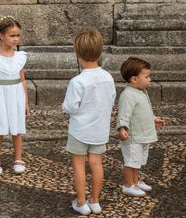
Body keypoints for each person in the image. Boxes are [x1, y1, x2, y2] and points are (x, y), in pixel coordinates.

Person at [62, 28, 115, 216]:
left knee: (78, 164)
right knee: (97, 164)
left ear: (77, 53)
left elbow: (70, 107)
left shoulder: (77, 81)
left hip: (80, 131)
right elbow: (111, 98)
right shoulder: (108, 77)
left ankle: (81, 202)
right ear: (100, 52)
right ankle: (95, 201)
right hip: (100, 130)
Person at [0, 16, 29, 176]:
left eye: (18, 36)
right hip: (0, 97)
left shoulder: (20, 57)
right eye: (12, 35)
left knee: (17, 129)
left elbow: (22, 80)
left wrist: (26, 102)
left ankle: (18, 158)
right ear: (2, 36)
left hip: (16, 95)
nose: (16, 39)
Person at [116, 57, 165, 197]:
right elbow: (123, 114)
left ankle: (135, 181)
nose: (150, 79)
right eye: (147, 76)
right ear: (134, 79)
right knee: (131, 161)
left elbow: (146, 110)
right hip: (133, 136)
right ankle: (128, 185)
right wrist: (122, 128)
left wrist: (154, 119)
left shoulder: (142, 92)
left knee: (137, 161)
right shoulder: (128, 95)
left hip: (142, 135)